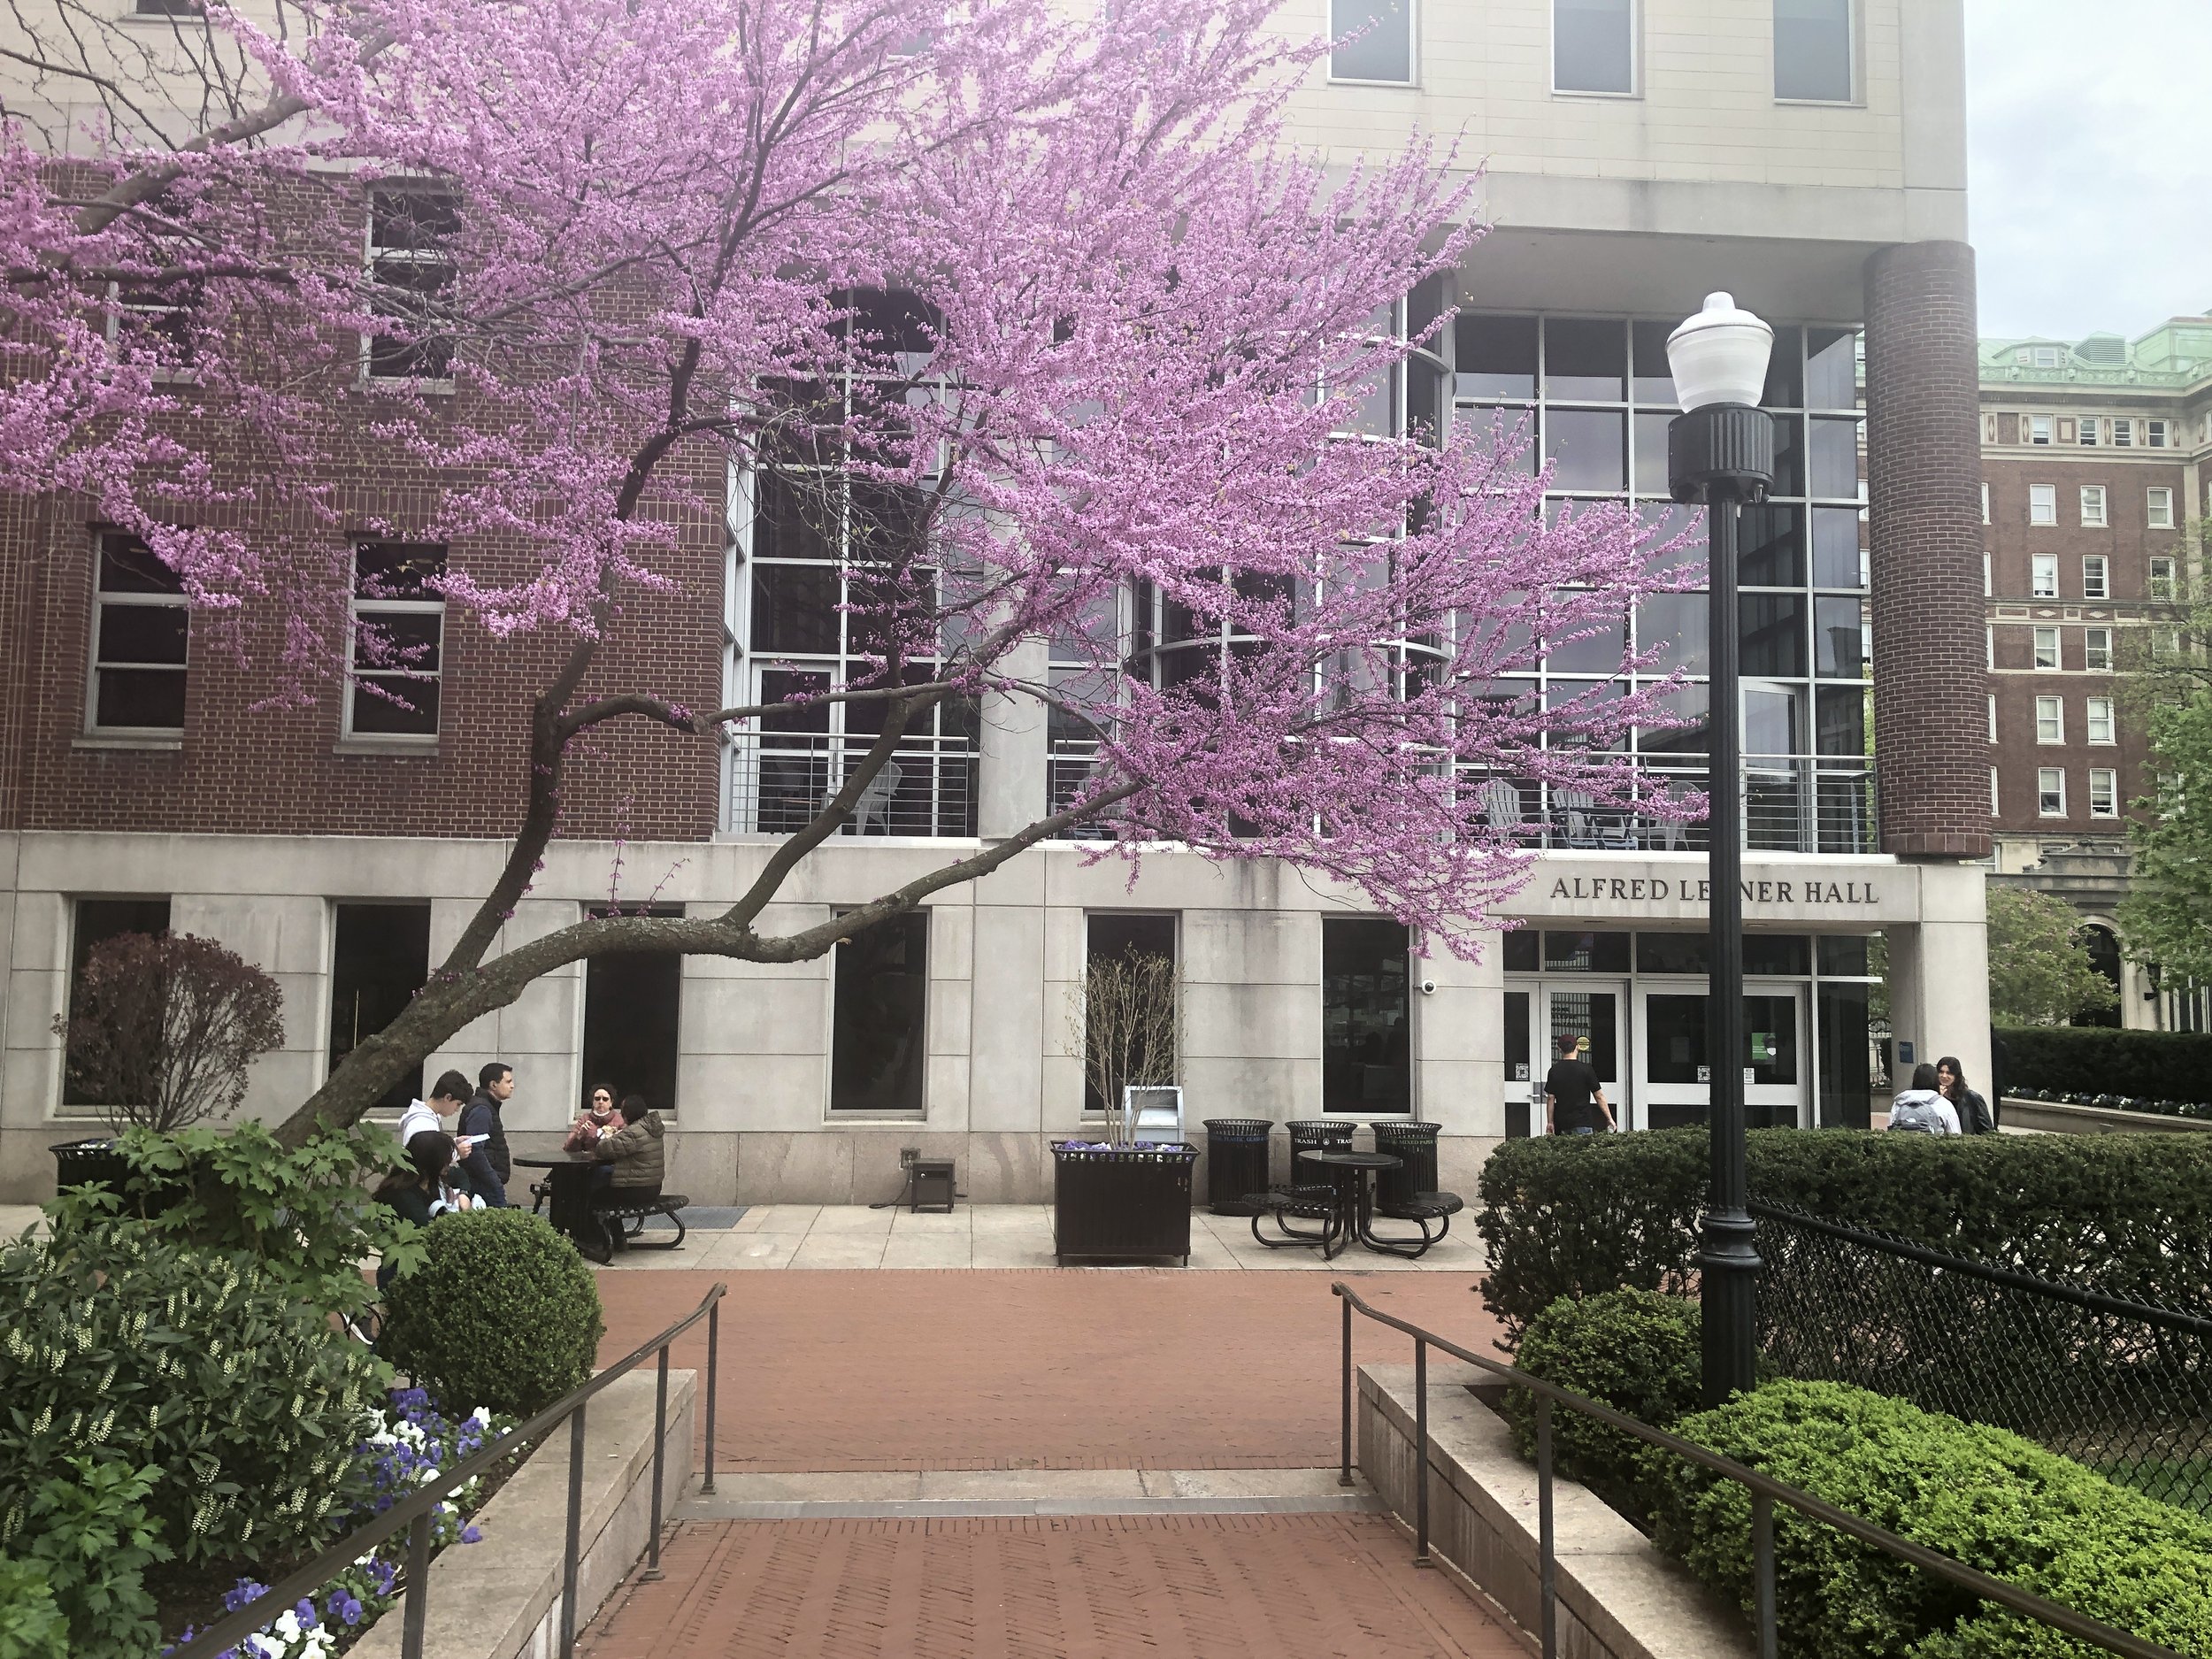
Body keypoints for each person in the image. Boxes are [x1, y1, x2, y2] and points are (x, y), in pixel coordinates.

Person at [372, 1130, 472, 1290]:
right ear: (431, 1163)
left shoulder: (431, 1179)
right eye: (445, 1162)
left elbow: (460, 1175)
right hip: (401, 1273)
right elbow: (430, 1231)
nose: (448, 1166)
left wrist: (464, 1195)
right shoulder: (402, 1196)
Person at [457, 1061, 516, 1207]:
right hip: (484, 1185)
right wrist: (493, 1181)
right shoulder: (482, 1109)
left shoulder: (485, 1107)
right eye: (508, 1081)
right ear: (493, 1085)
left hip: (486, 1183)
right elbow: (475, 1150)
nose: (512, 1086)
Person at [591, 1092, 667, 1202]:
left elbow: (602, 1149)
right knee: (604, 1172)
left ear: (628, 1113)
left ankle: (588, 1219)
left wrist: (609, 1136)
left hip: (637, 1189)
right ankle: (611, 1220)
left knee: (592, 1194)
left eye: (623, 1111)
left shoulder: (634, 1132)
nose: (621, 1114)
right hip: (652, 1187)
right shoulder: (650, 1128)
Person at [1545, 1030, 1614, 1136]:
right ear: (1577, 1047)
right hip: (1583, 1122)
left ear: (1559, 1049)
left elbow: (1550, 1098)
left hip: (1562, 1123)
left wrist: (1550, 1122)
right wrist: (1609, 1118)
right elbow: (1599, 1096)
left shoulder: (1554, 1070)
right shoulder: (1586, 1069)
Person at [398, 1070, 475, 1153]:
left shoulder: (429, 1117)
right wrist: (457, 1153)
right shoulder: (423, 1124)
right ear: (448, 1097)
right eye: (458, 1104)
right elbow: (428, 1158)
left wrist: (453, 1144)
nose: (457, 1110)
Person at [1887, 1062, 1962, 1135]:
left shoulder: (1900, 1102)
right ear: (1935, 1081)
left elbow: (1892, 1129)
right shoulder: (1943, 1104)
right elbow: (1955, 1134)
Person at [1936, 1056, 1993, 1135]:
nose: (1944, 1076)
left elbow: (1987, 1130)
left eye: (1949, 1073)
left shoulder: (1973, 1098)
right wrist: (1938, 1098)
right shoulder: (1934, 1097)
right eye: (1941, 1072)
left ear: (1956, 1076)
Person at [564, 1084, 620, 1156]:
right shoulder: (585, 1119)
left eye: (605, 1099)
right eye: (597, 1099)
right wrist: (579, 1136)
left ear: (611, 1102)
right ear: (593, 1102)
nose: (601, 1102)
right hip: (588, 1162)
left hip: (611, 1163)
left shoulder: (619, 1120)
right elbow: (568, 1148)